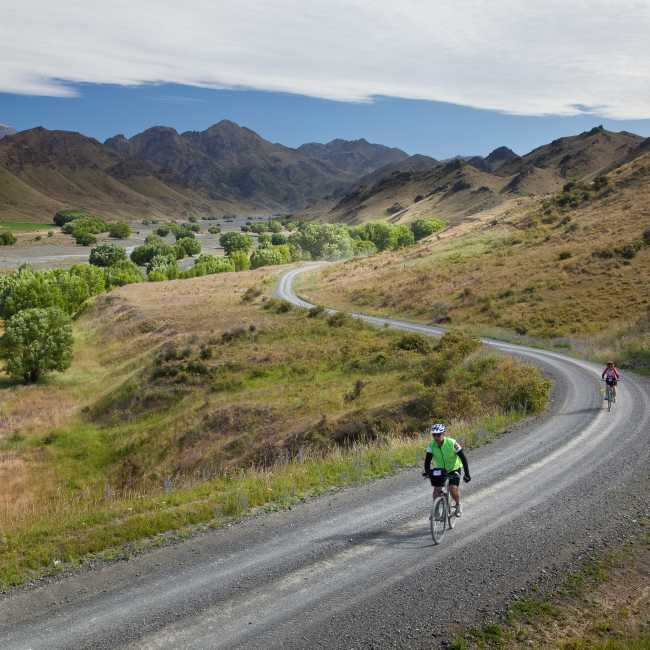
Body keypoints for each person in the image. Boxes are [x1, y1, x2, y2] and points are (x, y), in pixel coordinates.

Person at [422, 423, 471, 517]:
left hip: (454, 468)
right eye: (434, 435)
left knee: (452, 488)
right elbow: (427, 461)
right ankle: (435, 510)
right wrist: (428, 472)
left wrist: (467, 474)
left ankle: (457, 505)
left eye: (438, 434)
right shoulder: (431, 445)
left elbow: (463, 458)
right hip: (441, 470)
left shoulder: (452, 443)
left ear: (443, 434)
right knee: (436, 490)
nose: (436, 437)